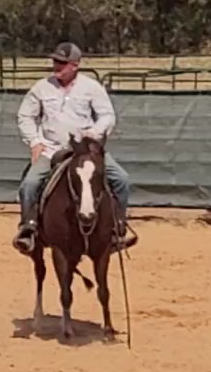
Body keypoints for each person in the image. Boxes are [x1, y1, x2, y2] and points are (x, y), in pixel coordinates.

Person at [13, 42, 136, 254]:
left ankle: (117, 228)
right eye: (55, 62)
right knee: (29, 184)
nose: (56, 66)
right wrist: (34, 141)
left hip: (86, 152)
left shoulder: (91, 88)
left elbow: (107, 116)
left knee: (122, 180)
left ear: (75, 65)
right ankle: (28, 229)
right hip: (51, 150)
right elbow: (25, 115)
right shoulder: (41, 88)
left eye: (62, 63)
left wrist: (95, 133)